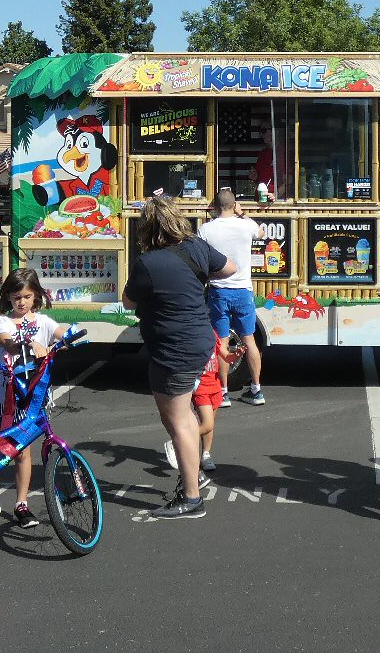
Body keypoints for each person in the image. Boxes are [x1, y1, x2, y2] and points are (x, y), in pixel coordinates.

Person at [122, 196, 236, 520]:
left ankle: (191, 496)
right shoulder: (197, 247)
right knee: (183, 417)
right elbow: (230, 267)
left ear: (146, 228)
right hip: (200, 341)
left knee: (179, 422)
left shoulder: (148, 262)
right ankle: (192, 478)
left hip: (173, 350)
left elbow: (128, 301)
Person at [0, 268, 67, 530]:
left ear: (36, 295)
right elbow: (8, 343)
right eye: (16, 298)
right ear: (8, 297)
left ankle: (21, 504)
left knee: (22, 451)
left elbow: (62, 333)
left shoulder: (44, 321)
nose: (22, 302)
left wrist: (70, 337)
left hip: (29, 395)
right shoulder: (2, 321)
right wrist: (28, 344)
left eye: (26, 296)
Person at [198, 189, 265, 406]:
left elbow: (199, 255)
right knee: (249, 341)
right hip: (243, 290)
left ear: (214, 206)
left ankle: (223, 393)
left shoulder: (206, 229)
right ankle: (256, 390)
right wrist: (242, 213)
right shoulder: (245, 225)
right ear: (234, 205)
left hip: (219, 291)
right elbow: (261, 233)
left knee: (222, 342)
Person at [163, 330, 245, 474]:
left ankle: (205, 455)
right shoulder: (192, 335)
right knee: (207, 424)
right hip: (201, 388)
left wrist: (236, 355)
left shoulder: (213, 334)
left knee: (210, 426)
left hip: (215, 386)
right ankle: (177, 442)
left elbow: (225, 356)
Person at [248, 122, 288, 201]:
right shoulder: (263, 153)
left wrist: (276, 195)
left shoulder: (284, 153)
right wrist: (254, 176)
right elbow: (258, 180)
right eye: (260, 131)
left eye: (263, 131)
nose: (261, 135)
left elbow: (289, 181)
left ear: (275, 131)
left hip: (276, 203)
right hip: (259, 200)